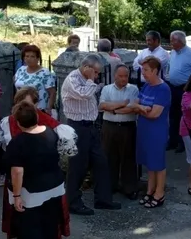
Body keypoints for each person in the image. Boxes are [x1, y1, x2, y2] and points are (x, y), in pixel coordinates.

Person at [0, 88, 75, 239]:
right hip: (18, 180)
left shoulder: (46, 120)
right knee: (14, 212)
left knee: (39, 219)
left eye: (28, 104)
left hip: (38, 180)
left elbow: (65, 144)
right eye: (21, 103)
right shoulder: (7, 122)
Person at [7, 103, 66, 239]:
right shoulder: (50, 132)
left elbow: (17, 172)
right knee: (49, 222)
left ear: (18, 122)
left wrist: (17, 196)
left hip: (32, 191)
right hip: (55, 185)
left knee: (31, 228)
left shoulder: (18, 142)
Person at [62, 55, 119, 214]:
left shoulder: (88, 80)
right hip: (77, 126)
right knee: (78, 165)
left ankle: (103, 199)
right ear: (86, 67)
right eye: (95, 72)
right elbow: (83, 94)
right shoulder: (73, 79)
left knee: (101, 162)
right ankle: (72, 202)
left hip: (91, 126)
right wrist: (90, 79)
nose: (97, 75)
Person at [99, 65, 141, 200]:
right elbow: (102, 106)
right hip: (109, 126)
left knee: (128, 157)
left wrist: (113, 108)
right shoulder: (107, 89)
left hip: (127, 126)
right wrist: (122, 104)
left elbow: (133, 108)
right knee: (109, 156)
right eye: (121, 76)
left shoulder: (133, 89)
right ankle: (110, 185)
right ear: (115, 76)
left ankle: (129, 188)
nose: (124, 79)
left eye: (126, 76)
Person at [135, 56, 172, 208]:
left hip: (156, 131)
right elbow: (136, 104)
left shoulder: (163, 89)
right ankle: (150, 190)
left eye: (146, 70)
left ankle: (160, 192)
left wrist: (140, 109)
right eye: (142, 69)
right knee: (149, 162)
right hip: (144, 129)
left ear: (155, 71)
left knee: (158, 162)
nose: (143, 73)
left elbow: (154, 114)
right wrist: (142, 108)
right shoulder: (146, 85)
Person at [165, 30, 191, 152]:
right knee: (173, 115)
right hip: (173, 87)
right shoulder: (173, 53)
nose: (171, 43)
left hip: (185, 88)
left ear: (180, 41)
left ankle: (183, 142)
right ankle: (173, 140)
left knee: (183, 116)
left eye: (173, 41)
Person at [13, 44, 57, 115]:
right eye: (27, 56)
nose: (29, 59)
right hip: (21, 109)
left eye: (32, 56)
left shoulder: (45, 73)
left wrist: (49, 108)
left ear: (38, 58)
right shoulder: (21, 70)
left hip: (38, 110)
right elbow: (16, 85)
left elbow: (52, 92)